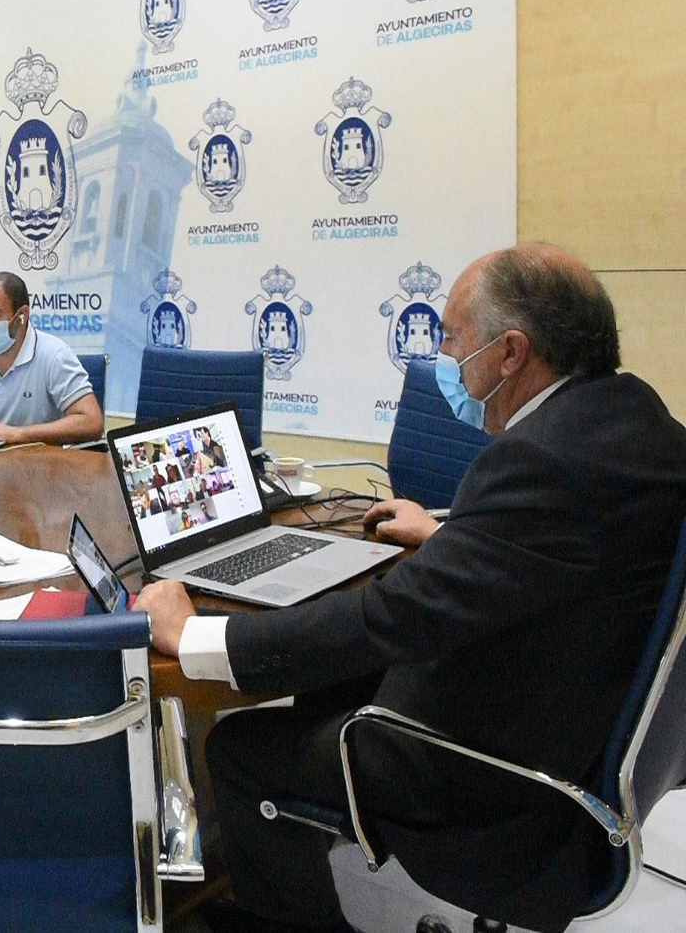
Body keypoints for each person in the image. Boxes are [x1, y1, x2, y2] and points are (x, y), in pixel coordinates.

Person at [134, 244, 686, 933]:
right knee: (331, 682)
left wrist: (198, 636)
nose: (442, 356)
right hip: (573, 712)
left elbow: (392, 618)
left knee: (239, 748)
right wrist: (459, 535)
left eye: (453, 337)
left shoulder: (540, 459)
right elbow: (559, 547)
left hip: (501, 784)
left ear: (511, 352)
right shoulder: (633, 416)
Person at [0, 271, 104, 445]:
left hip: (44, 464)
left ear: (22, 316)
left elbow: (91, 422)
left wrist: (17, 434)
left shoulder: (54, 355)